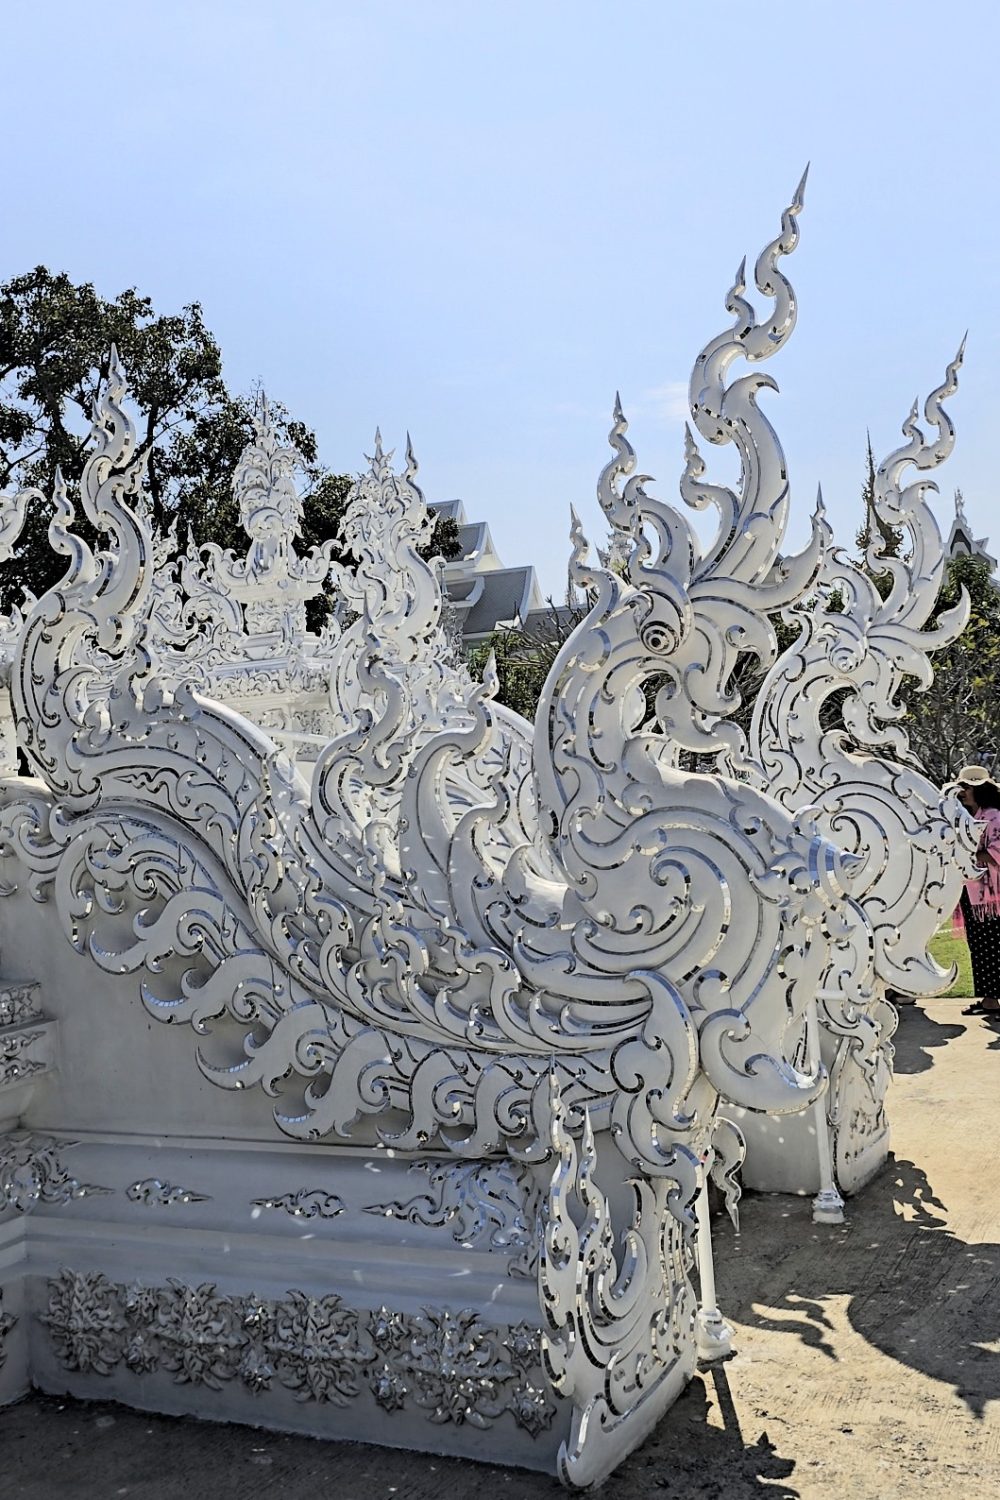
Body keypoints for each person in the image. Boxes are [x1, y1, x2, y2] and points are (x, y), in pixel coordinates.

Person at [954, 764, 1000, 1017]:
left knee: (991, 944)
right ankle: (989, 999)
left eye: (967, 787)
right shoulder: (974, 815)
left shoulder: (993, 816)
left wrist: (970, 853)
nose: (963, 792)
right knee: (980, 945)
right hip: (976, 891)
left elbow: (997, 850)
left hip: (991, 894)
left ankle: (992, 999)